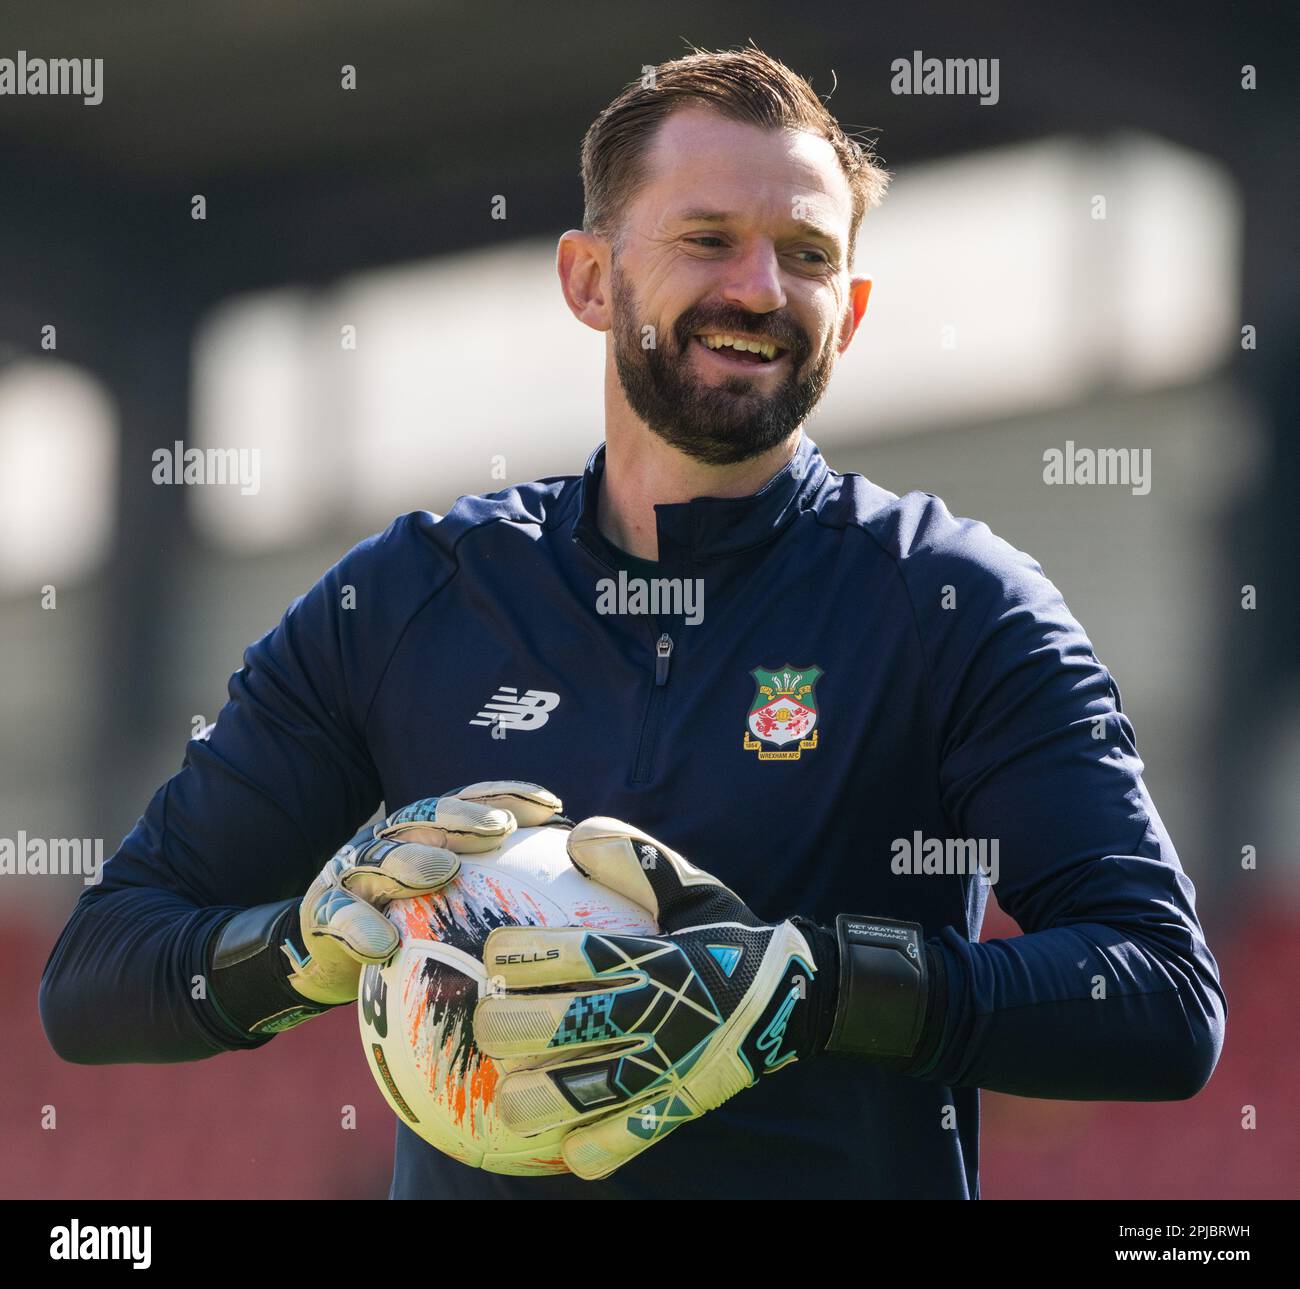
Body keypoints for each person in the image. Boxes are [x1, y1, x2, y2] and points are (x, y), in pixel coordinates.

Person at [40, 43, 1225, 1200]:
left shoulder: (954, 601)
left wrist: (799, 986)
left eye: (805, 255)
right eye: (708, 238)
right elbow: (95, 975)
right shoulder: (403, 597)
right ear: (590, 278)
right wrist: (292, 949)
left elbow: (1161, 999)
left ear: (850, 310)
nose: (758, 289)